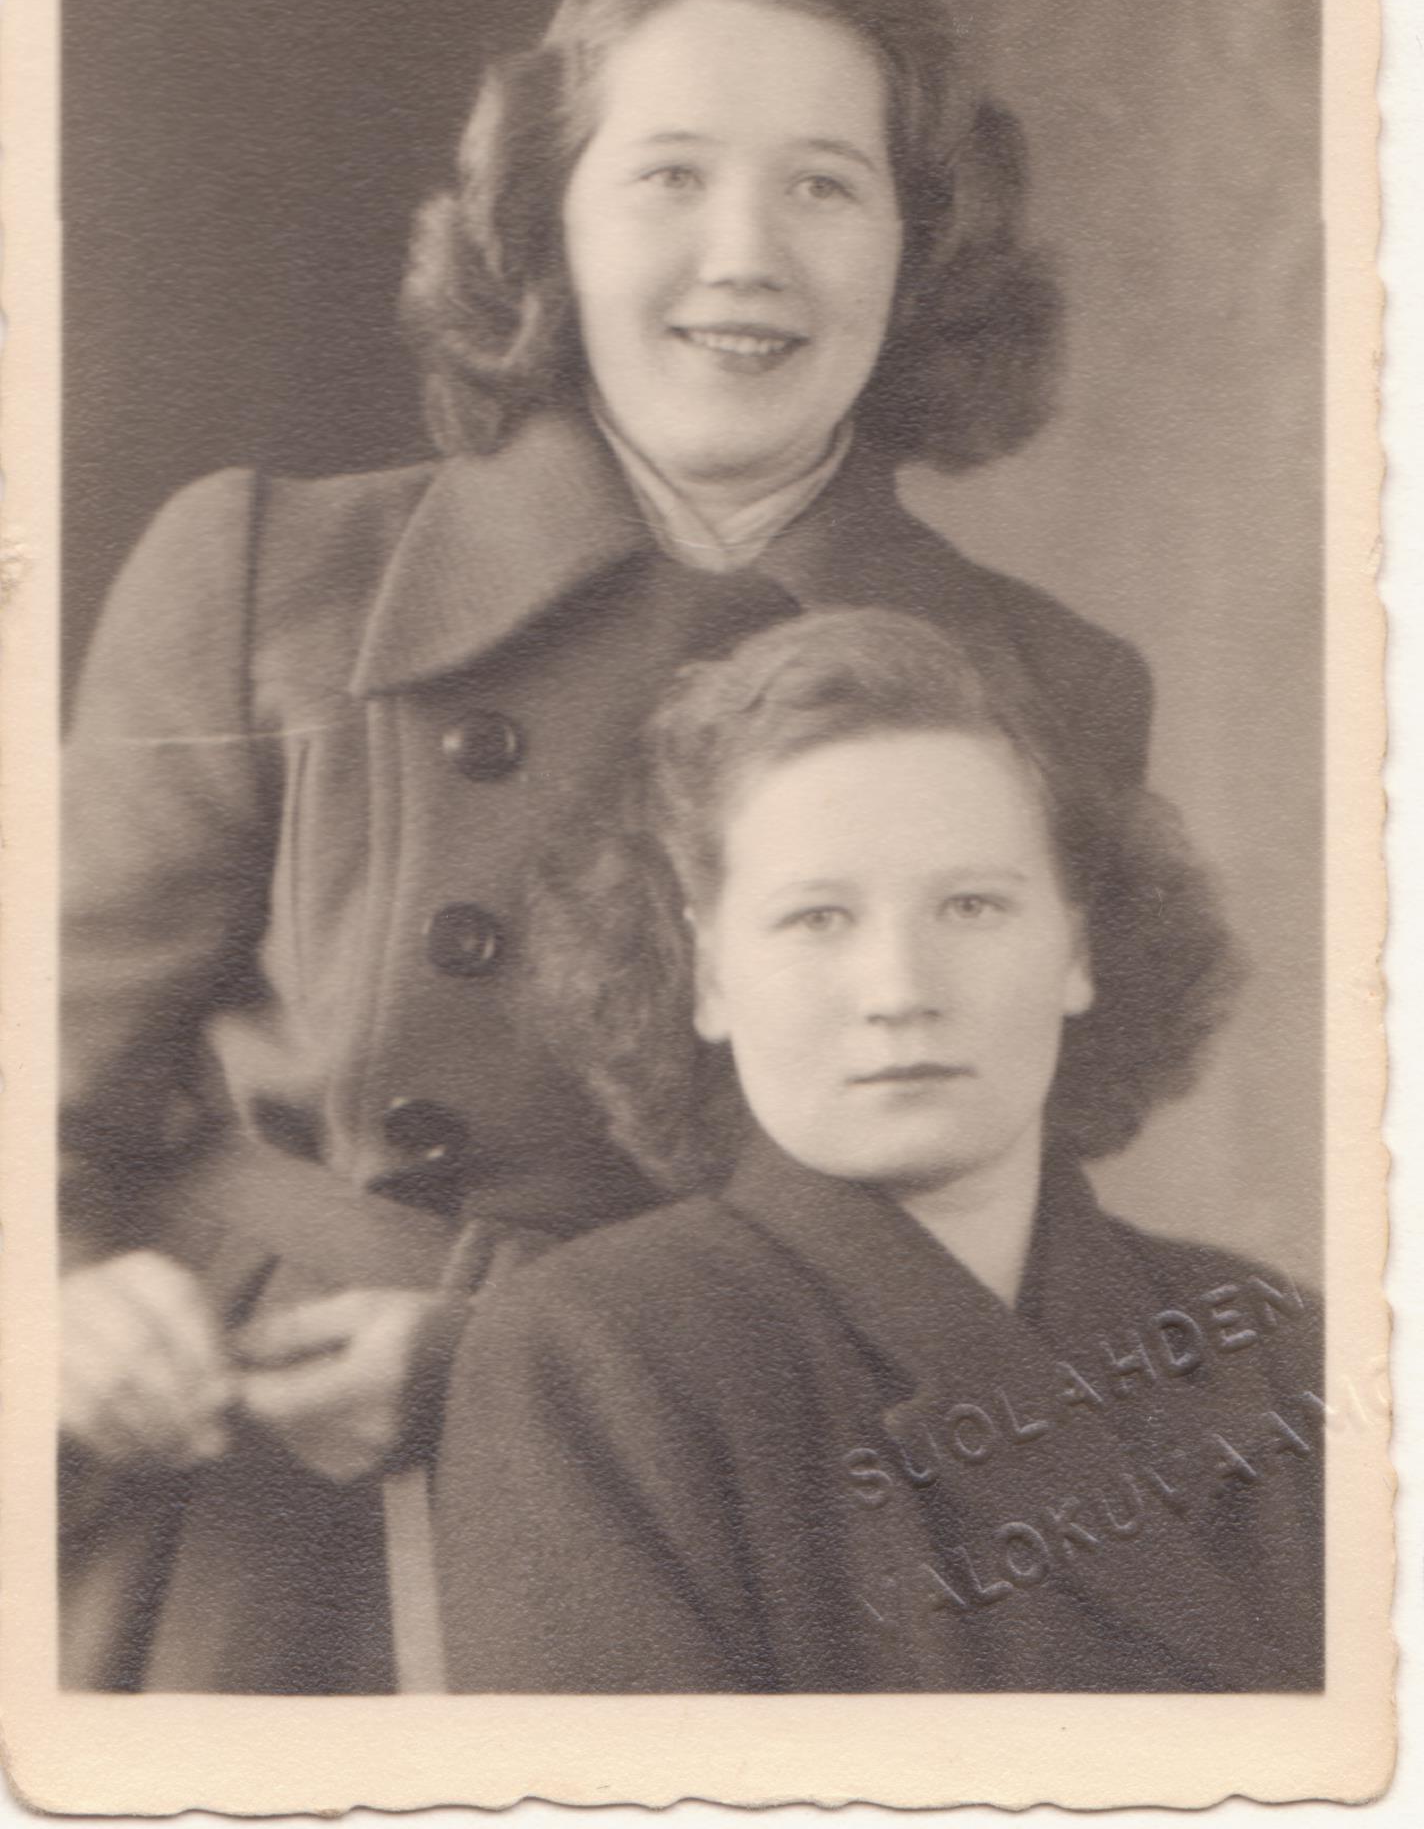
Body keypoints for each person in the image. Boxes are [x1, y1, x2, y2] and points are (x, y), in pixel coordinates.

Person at [60, 0, 1152, 1693]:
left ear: (919, 246)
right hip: (248, 1510)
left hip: (698, 1500)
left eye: (824, 184)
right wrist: (60, 1305)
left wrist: (507, 1360)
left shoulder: (1044, 689)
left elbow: (964, 1263)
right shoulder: (269, 575)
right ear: (546, 226)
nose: (745, 255)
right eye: (668, 176)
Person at [435, 609, 1322, 1694]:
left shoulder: (1275, 1344)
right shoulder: (593, 1358)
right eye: (817, 919)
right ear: (707, 974)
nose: (900, 990)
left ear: (1076, 951)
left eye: (971, 906)